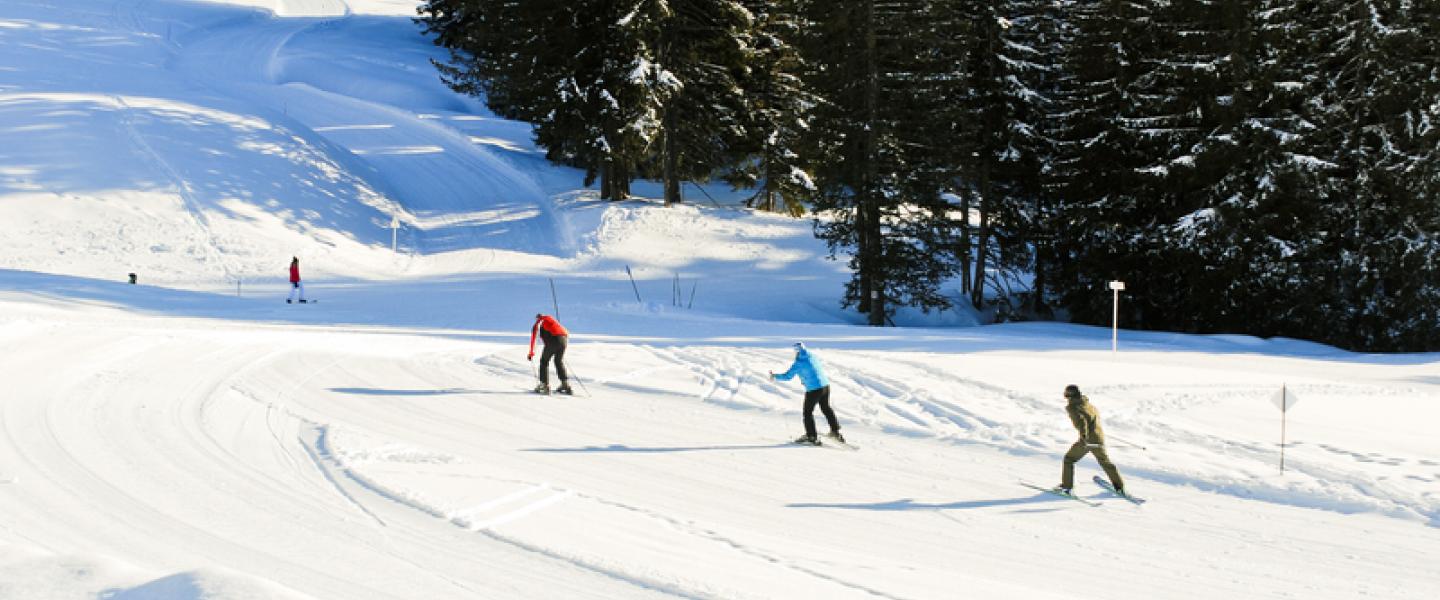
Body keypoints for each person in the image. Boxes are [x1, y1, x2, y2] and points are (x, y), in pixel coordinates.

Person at [1057, 384, 1125, 495]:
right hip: (1099, 437)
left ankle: (1067, 488)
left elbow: (1082, 422)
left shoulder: (1073, 407)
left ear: (1069, 396)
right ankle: (1120, 486)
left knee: (1069, 459)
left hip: (1088, 440)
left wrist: (1084, 437)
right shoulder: (1087, 404)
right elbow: (1093, 418)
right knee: (1105, 462)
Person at [770, 342, 842, 445]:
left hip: (814, 390)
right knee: (826, 408)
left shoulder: (798, 363)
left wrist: (775, 376)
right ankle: (835, 432)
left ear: (797, 352)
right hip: (825, 386)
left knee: (807, 413)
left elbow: (787, 376)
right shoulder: (812, 356)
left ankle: (811, 436)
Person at [527, 314, 571, 395]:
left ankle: (544, 385)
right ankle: (565, 384)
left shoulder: (539, 323)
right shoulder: (553, 320)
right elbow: (565, 332)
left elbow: (534, 338)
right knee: (558, 361)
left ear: (538, 318)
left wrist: (531, 353)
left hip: (554, 340)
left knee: (544, 361)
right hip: (564, 339)